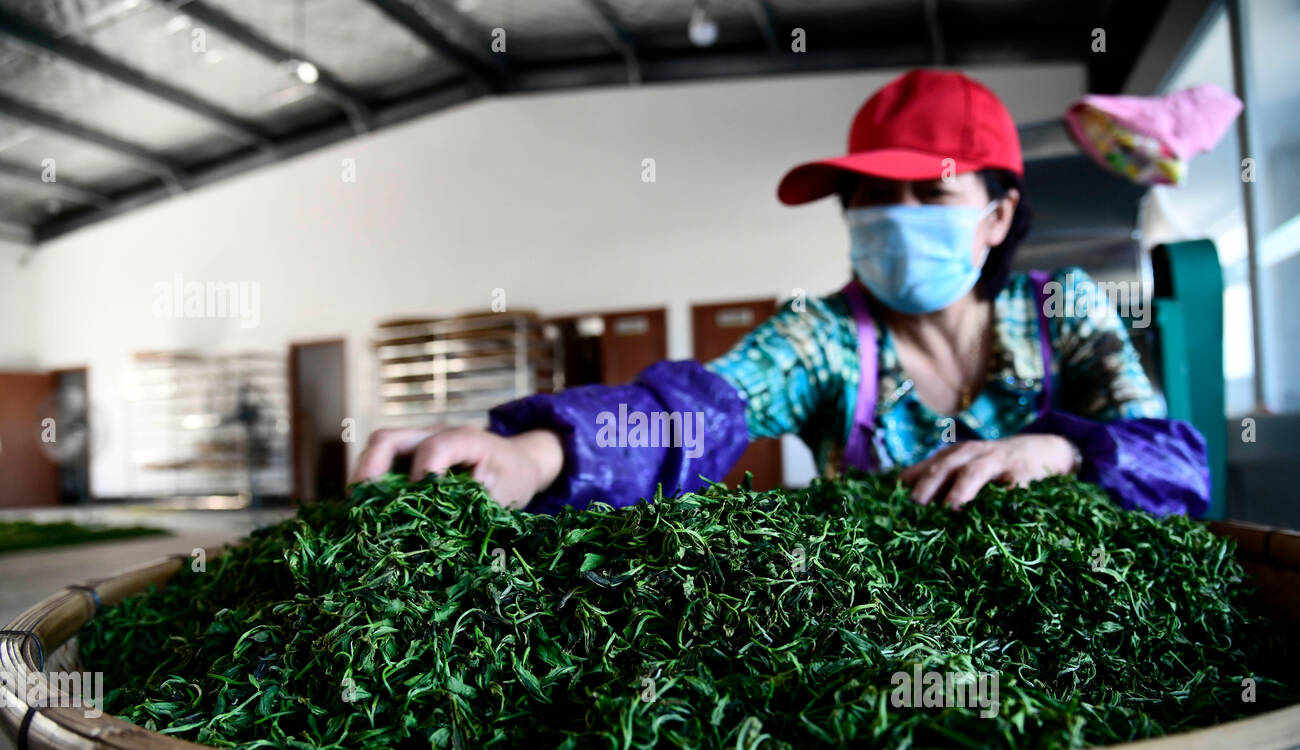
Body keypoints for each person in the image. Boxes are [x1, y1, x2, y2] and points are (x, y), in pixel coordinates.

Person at [352, 70, 1210, 517]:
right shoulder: (827, 337)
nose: (893, 216)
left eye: (929, 195)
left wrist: (1056, 453)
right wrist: (535, 454)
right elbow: (700, 410)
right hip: (890, 637)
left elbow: (1179, 466)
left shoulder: (1063, 309)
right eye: (873, 197)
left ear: (996, 216)